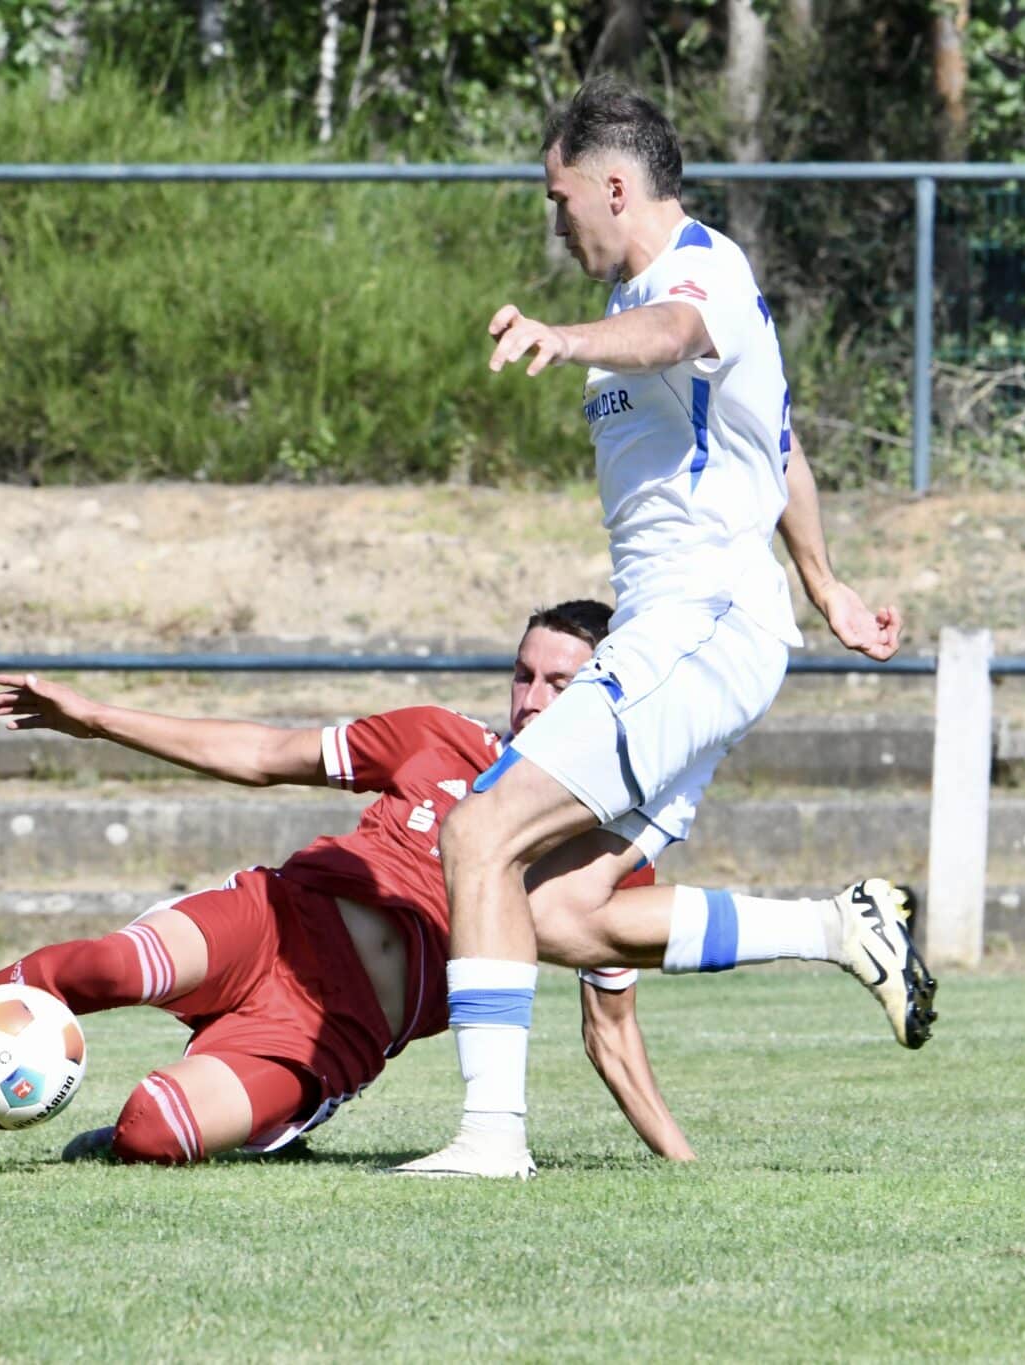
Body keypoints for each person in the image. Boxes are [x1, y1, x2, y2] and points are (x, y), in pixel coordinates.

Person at [393, 75, 935, 1180]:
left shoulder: (694, 272)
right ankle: (840, 929)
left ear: (610, 183)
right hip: (714, 627)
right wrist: (825, 585)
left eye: (557, 200)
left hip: (696, 622)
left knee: (478, 833)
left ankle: (491, 1140)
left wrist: (567, 335)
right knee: (558, 911)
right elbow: (776, 446)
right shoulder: (677, 295)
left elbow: (669, 330)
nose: (554, 223)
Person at [0, 601, 699, 1165]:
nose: (531, 699)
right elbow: (261, 752)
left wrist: (683, 1165)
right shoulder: (434, 736)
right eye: (523, 674)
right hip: (276, 918)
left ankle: (255, 1113)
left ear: (607, 691)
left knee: (145, 1131)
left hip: (334, 1030)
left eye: (560, 683)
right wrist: (97, 718)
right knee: (96, 966)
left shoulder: (602, 845)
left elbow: (610, 1034)